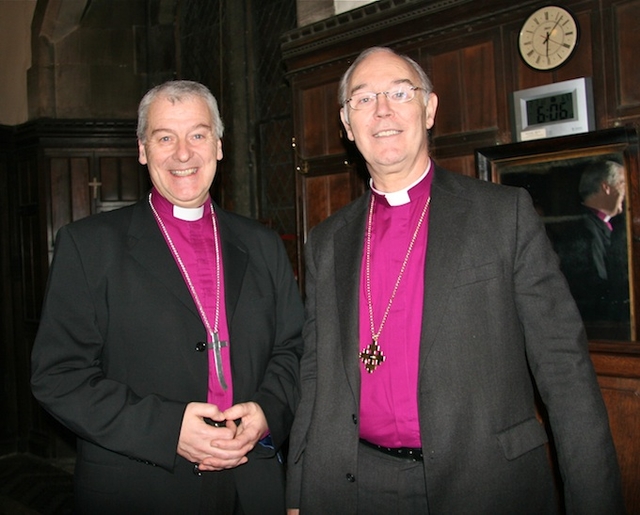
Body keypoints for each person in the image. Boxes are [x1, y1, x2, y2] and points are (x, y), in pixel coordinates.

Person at [286, 47, 624, 514]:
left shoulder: (503, 215)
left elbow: (564, 370)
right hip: (355, 486)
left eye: (400, 93)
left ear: (429, 109)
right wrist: (300, 491)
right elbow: (315, 373)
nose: (382, 110)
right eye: (363, 100)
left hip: (483, 482)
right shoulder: (327, 241)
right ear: (347, 125)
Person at [31, 80, 304, 514]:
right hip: (141, 488)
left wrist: (268, 412)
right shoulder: (89, 246)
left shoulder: (262, 243)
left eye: (197, 135)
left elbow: (292, 348)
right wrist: (168, 428)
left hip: (253, 483)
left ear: (218, 145)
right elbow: (58, 376)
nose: (183, 154)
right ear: (142, 150)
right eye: (165, 138)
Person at [555, 160, 629, 332]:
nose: (626, 191)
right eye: (623, 183)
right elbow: (600, 286)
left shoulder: (602, 226)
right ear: (606, 187)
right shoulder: (584, 231)